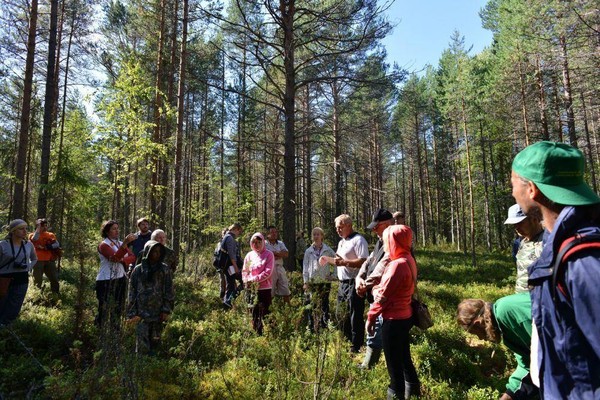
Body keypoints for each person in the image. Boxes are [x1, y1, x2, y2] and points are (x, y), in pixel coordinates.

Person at [511, 141, 600, 398]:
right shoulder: (557, 243)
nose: (512, 191)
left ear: (532, 189)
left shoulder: (583, 259)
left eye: (513, 182)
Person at [366, 225, 419, 400]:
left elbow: (382, 296)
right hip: (406, 316)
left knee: (394, 366)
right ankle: (414, 392)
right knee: (404, 358)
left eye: (387, 240)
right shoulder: (408, 258)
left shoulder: (397, 265)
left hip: (393, 320)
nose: (385, 245)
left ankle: (396, 394)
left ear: (394, 241)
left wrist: (371, 316)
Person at [457, 293, 538, 400]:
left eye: (476, 333)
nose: (480, 339)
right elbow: (528, 365)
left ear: (478, 323)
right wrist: (509, 394)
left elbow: (550, 349)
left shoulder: (506, 312)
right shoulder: (503, 325)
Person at [355, 208, 394, 368]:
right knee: (375, 330)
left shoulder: (394, 243)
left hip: (385, 298)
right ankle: (370, 364)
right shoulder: (380, 242)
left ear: (387, 224)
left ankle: (370, 366)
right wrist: (359, 277)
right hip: (374, 294)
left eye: (376, 227)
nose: (374, 230)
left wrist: (366, 283)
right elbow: (369, 262)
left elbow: (383, 267)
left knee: (377, 331)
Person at [127, 240, 174, 354]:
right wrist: (132, 313)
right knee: (142, 347)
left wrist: (166, 310)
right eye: (154, 251)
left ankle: (155, 368)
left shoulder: (164, 269)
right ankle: (142, 369)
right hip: (141, 315)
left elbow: (169, 291)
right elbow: (131, 292)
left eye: (159, 252)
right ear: (147, 252)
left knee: (156, 345)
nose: (156, 254)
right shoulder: (138, 270)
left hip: (158, 315)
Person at [333, 214, 368, 353]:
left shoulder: (359, 240)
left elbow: (363, 261)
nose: (338, 230)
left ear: (348, 225)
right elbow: (339, 258)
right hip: (342, 283)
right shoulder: (342, 241)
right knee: (340, 313)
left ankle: (357, 345)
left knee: (355, 315)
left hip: (355, 282)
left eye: (340, 227)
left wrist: (344, 262)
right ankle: (346, 340)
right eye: (336, 228)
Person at [96, 220, 137, 328]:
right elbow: (114, 258)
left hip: (120, 277)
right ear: (107, 231)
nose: (117, 231)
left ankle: (115, 331)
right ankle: (99, 330)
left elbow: (132, 257)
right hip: (105, 279)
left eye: (117, 228)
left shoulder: (118, 243)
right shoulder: (103, 244)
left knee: (118, 307)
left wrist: (122, 259)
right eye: (114, 229)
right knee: (104, 308)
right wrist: (124, 246)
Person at [0, 220, 37, 326]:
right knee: (2, 302)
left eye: (25, 228)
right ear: (13, 231)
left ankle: (7, 326)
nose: (25, 231)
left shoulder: (29, 245)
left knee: (15, 304)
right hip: (4, 278)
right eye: (21, 229)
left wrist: (29, 266)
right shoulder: (2, 245)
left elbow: (34, 258)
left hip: (22, 279)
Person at [302, 227, 336, 331]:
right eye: (314, 234)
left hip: (324, 281)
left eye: (318, 234)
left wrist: (333, 276)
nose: (316, 236)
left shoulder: (327, 250)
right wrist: (306, 282)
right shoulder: (309, 251)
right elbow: (305, 267)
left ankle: (324, 326)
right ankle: (312, 326)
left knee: (324, 304)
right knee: (312, 304)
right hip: (312, 282)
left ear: (322, 236)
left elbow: (336, 262)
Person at [503, 204, 543, 293]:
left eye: (520, 223)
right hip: (520, 297)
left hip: (539, 298)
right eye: (514, 225)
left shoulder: (546, 241)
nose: (516, 228)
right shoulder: (519, 243)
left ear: (534, 219)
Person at [242, 233, 274, 335]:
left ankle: (272, 333)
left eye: (259, 242)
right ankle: (257, 334)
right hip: (251, 289)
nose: (257, 244)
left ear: (263, 242)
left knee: (266, 312)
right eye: (254, 242)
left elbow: (268, 272)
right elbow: (245, 271)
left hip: (264, 289)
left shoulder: (269, 255)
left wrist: (254, 280)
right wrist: (246, 280)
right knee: (253, 312)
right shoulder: (249, 256)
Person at [29, 218, 61, 294]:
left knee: (54, 278)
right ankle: (36, 295)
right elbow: (34, 239)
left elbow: (57, 244)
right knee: (37, 280)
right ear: (37, 226)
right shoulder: (32, 235)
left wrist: (47, 247)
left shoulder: (50, 235)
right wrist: (39, 228)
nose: (45, 227)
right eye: (43, 226)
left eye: (46, 225)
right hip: (37, 260)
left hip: (49, 260)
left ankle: (55, 294)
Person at [265, 226, 291, 303]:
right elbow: (265, 255)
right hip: (270, 269)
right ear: (267, 234)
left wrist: (274, 253)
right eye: (272, 232)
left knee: (285, 288)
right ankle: (270, 310)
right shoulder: (264, 244)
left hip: (280, 267)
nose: (274, 234)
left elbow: (286, 254)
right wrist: (278, 254)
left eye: (275, 232)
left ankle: (288, 309)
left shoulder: (280, 243)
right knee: (270, 290)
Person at [222, 223, 244, 309]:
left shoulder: (226, 237)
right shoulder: (230, 238)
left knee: (230, 286)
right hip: (231, 267)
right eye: (239, 231)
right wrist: (236, 267)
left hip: (227, 267)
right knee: (245, 282)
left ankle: (226, 305)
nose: (239, 234)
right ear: (236, 229)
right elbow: (232, 255)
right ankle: (229, 300)